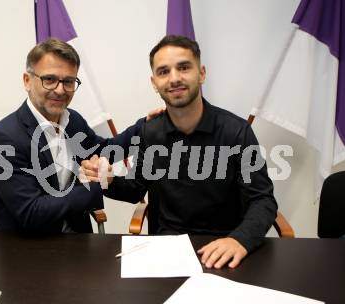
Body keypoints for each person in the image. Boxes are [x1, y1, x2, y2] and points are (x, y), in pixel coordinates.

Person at [80, 35, 277, 268]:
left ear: (201, 73)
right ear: (154, 82)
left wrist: (239, 240)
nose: (174, 78)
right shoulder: (150, 133)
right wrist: (108, 180)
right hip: (166, 250)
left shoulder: (236, 132)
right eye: (164, 71)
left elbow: (262, 200)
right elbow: (135, 189)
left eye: (183, 67)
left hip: (223, 248)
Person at [0, 38, 159, 235]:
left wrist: (145, 126)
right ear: (27, 81)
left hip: (76, 241)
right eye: (49, 79)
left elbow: (104, 151)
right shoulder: (5, 137)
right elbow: (31, 212)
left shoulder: (72, 120)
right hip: (23, 249)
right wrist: (93, 185)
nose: (60, 90)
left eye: (68, 81)